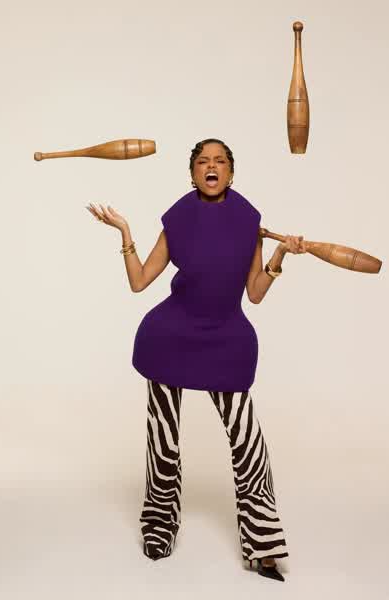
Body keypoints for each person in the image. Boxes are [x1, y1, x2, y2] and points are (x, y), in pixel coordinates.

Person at [86, 138, 306, 582]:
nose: (212, 166)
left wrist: (280, 254)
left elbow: (255, 294)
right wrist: (125, 231)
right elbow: (139, 282)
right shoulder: (178, 217)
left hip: (228, 339)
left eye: (220, 161)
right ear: (192, 174)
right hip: (168, 338)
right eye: (203, 161)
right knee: (163, 440)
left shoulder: (249, 220)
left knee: (248, 443)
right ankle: (158, 527)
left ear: (231, 172)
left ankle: (263, 544)